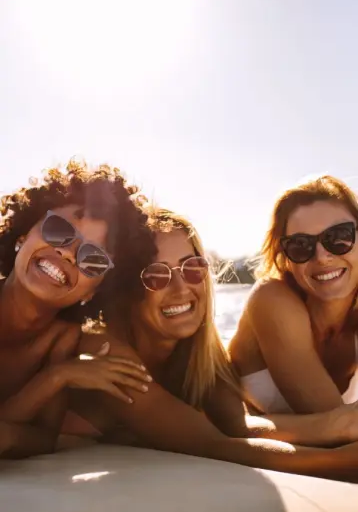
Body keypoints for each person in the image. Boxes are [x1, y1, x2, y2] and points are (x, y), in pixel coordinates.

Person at [71, 207, 358, 481]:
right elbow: (213, 444)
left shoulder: (197, 352)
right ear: (126, 289)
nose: (182, 288)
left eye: (192, 268)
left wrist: (340, 423)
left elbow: (239, 425)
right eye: (156, 276)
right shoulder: (103, 349)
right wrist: (342, 461)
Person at [0, 160, 156, 458]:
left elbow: (43, 439)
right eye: (58, 229)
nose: (68, 253)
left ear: (97, 289)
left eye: (93, 258)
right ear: (23, 234)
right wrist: (55, 378)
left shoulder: (63, 340)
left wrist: (58, 375)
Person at [229, 175, 358, 414]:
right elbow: (334, 423)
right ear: (285, 258)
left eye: (339, 237)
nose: (321, 256)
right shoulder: (271, 300)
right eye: (301, 245)